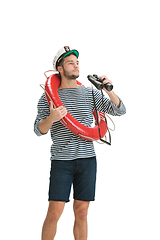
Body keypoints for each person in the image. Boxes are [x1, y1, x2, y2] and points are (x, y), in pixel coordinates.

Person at [34, 46, 126, 240]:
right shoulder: (48, 97)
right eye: (70, 63)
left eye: (77, 63)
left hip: (87, 161)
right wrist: (51, 118)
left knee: (82, 213)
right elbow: (38, 130)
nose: (76, 66)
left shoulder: (90, 94)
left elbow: (120, 110)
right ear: (60, 68)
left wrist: (109, 89)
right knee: (53, 214)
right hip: (61, 161)